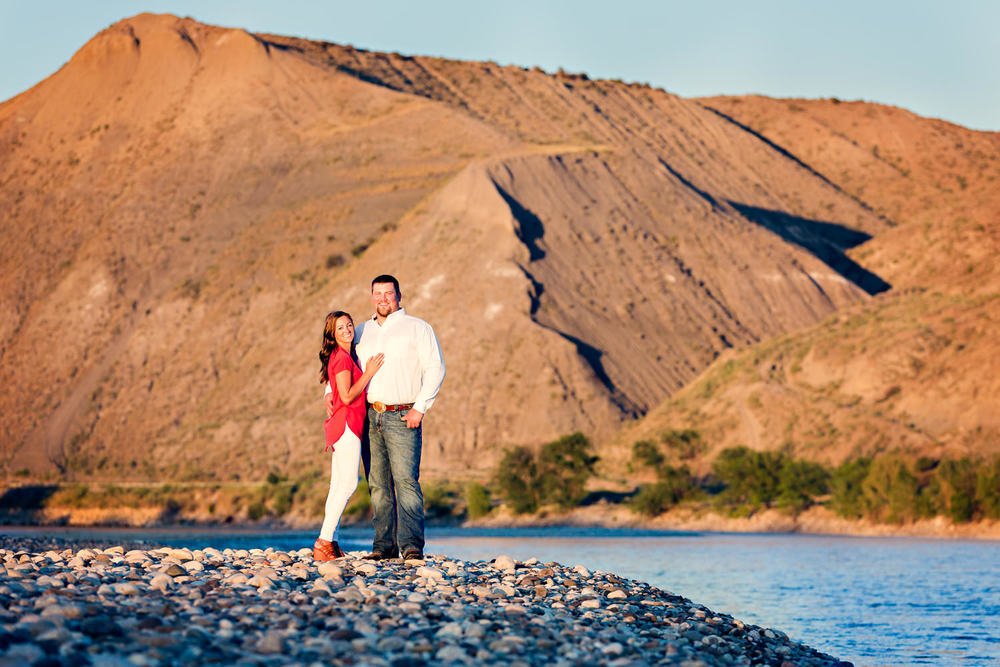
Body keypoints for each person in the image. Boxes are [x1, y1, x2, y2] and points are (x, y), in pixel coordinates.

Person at [325, 274, 445, 561]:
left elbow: (436, 368)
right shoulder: (362, 331)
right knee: (378, 485)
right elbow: (342, 360)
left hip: (404, 414)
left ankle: (412, 546)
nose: (382, 299)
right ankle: (383, 547)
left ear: (399, 296)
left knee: (406, 482)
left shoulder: (418, 328)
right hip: (368, 416)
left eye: (388, 293)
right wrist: (328, 390)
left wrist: (420, 407)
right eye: (377, 294)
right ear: (371, 297)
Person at [314, 310, 384, 561]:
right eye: (340, 328)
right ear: (332, 333)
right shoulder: (342, 358)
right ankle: (324, 541)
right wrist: (369, 372)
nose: (347, 330)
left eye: (349, 325)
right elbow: (346, 396)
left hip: (344, 424)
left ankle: (327, 541)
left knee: (338, 485)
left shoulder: (342, 354)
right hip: (346, 424)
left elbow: (334, 388)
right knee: (348, 484)